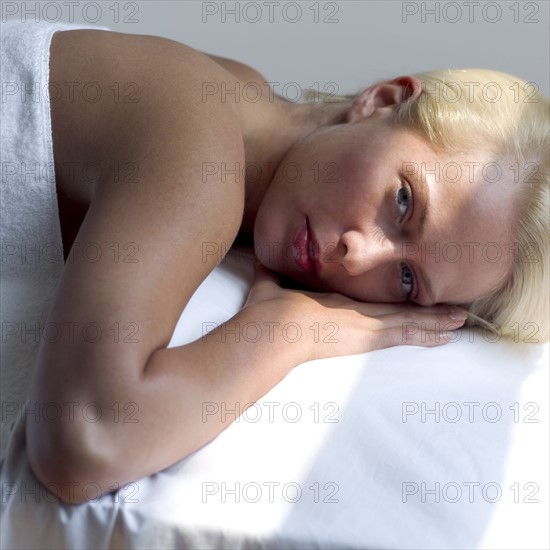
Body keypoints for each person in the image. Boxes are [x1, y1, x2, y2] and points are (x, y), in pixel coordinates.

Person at [4, 27, 546, 503]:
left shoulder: (242, 93)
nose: (360, 255)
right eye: (403, 202)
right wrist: (287, 329)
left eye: (407, 279)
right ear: (381, 100)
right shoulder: (201, 151)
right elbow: (83, 444)